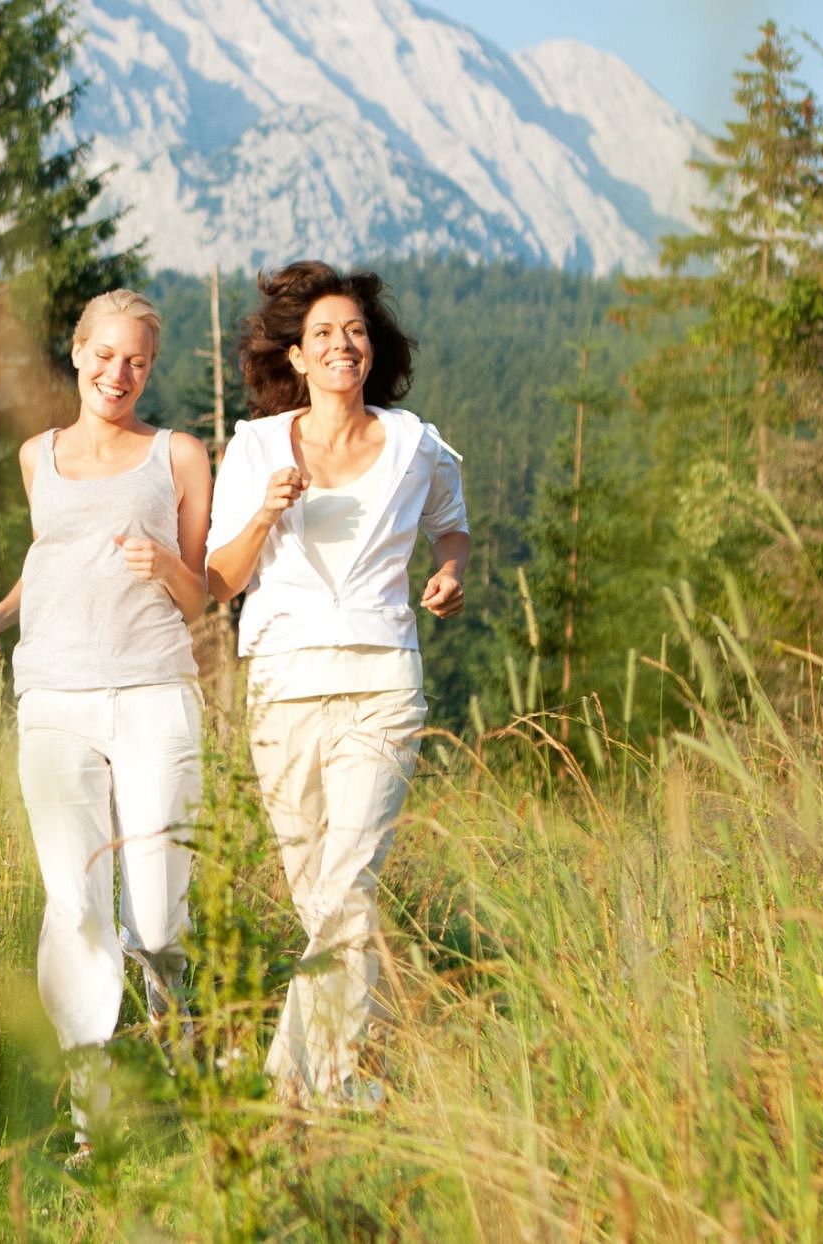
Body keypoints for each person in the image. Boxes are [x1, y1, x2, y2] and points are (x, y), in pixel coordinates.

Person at [205, 260, 469, 1107]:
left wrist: (449, 573)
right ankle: (342, 1068)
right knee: (319, 891)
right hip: (282, 684)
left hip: (381, 680)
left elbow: (452, 528)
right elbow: (220, 578)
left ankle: (303, 1084)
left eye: (353, 331)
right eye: (322, 334)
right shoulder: (252, 450)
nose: (340, 345)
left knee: (350, 883)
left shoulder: (414, 443)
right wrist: (263, 515)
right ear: (296, 356)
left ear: (371, 348)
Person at [0, 288, 212, 1152]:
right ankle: (91, 1119)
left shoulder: (177, 455)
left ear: (150, 368)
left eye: (136, 360)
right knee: (74, 907)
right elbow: (53, 560)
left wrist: (163, 560)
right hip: (55, 699)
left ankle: (177, 1087)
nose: (119, 373)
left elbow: (204, 591)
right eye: (105, 356)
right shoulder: (39, 456)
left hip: (152, 696)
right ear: (76, 353)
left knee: (158, 918)